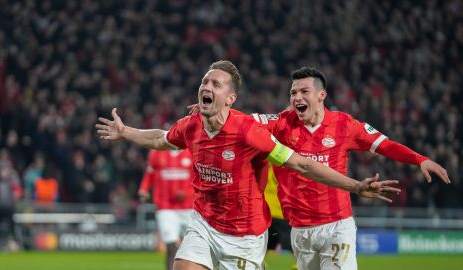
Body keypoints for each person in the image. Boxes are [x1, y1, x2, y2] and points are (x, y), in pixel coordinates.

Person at [96, 60, 400, 270]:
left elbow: (301, 164)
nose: (207, 86)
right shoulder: (191, 126)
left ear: (230, 98)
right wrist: (126, 132)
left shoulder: (249, 133)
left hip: (244, 235)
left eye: (216, 83)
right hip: (204, 222)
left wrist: (356, 186)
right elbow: (161, 139)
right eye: (205, 81)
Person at [252, 67, 450, 270]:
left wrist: (419, 159)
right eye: (293, 93)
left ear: (322, 95)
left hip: (336, 225)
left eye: (304, 92)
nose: (297, 98)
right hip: (300, 229)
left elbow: (385, 145)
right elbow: (245, 123)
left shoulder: (344, 125)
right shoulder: (282, 123)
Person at [138, 149, 194, 270]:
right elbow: (149, 173)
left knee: (192, 245)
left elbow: (199, 179)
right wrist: (144, 189)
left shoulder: (191, 152)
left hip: (189, 207)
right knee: (171, 243)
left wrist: (187, 193)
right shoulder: (157, 152)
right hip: (165, 206)